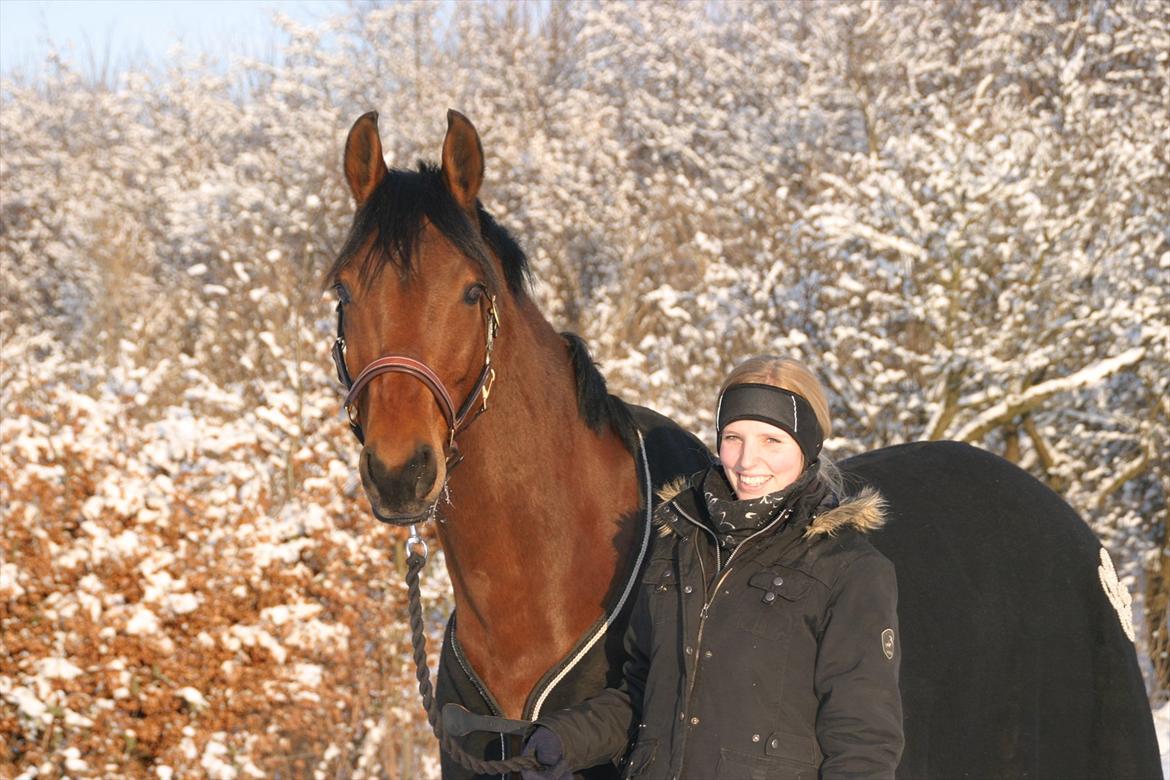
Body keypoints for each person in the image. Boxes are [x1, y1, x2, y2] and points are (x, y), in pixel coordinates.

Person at [521, 356, 904, 780]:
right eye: (733, 437)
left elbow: (863, 742)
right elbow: (643, 694)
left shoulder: (848, 569)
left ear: (807, 447)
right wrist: (565, 738)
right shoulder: (679, 546)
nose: (746, 461)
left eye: (771, 440)